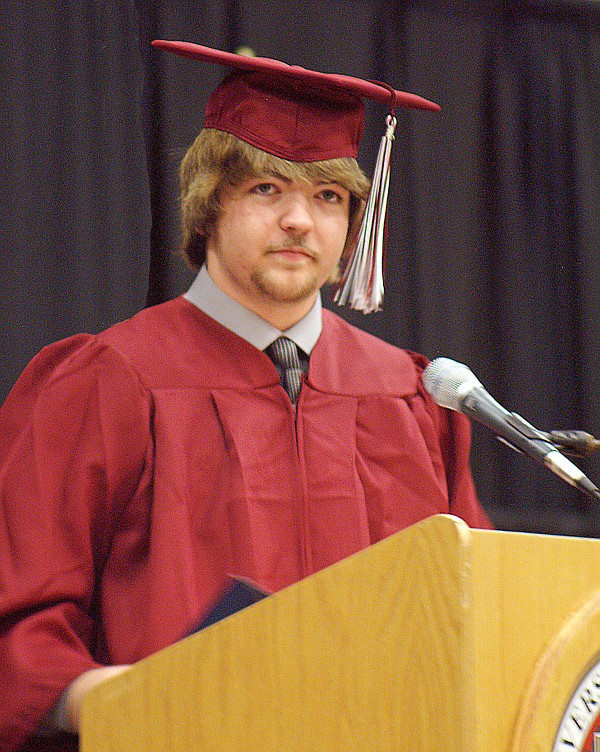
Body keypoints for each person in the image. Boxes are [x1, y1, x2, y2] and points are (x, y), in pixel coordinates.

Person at [0, 41, 491, 752]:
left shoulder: (410, 396)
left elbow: (474, 607)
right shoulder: (109, 380)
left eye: (327, 196)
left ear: (354, 221)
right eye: (267, 188)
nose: (300, 220)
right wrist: (115, 696)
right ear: (209, 204)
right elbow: (22, 618)